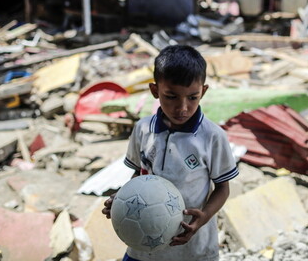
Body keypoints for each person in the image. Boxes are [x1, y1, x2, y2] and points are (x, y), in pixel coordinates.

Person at [102, 44, 239, 261]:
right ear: (155, 91)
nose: (182, 107)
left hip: (192, 248)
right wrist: (122, 199)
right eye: (171, 97)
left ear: (203, 91)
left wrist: (202, 218)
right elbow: (140, 175)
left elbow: (223, 188)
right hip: (143, 247)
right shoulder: (143, 129)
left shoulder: (212, 136)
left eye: (192, 97)